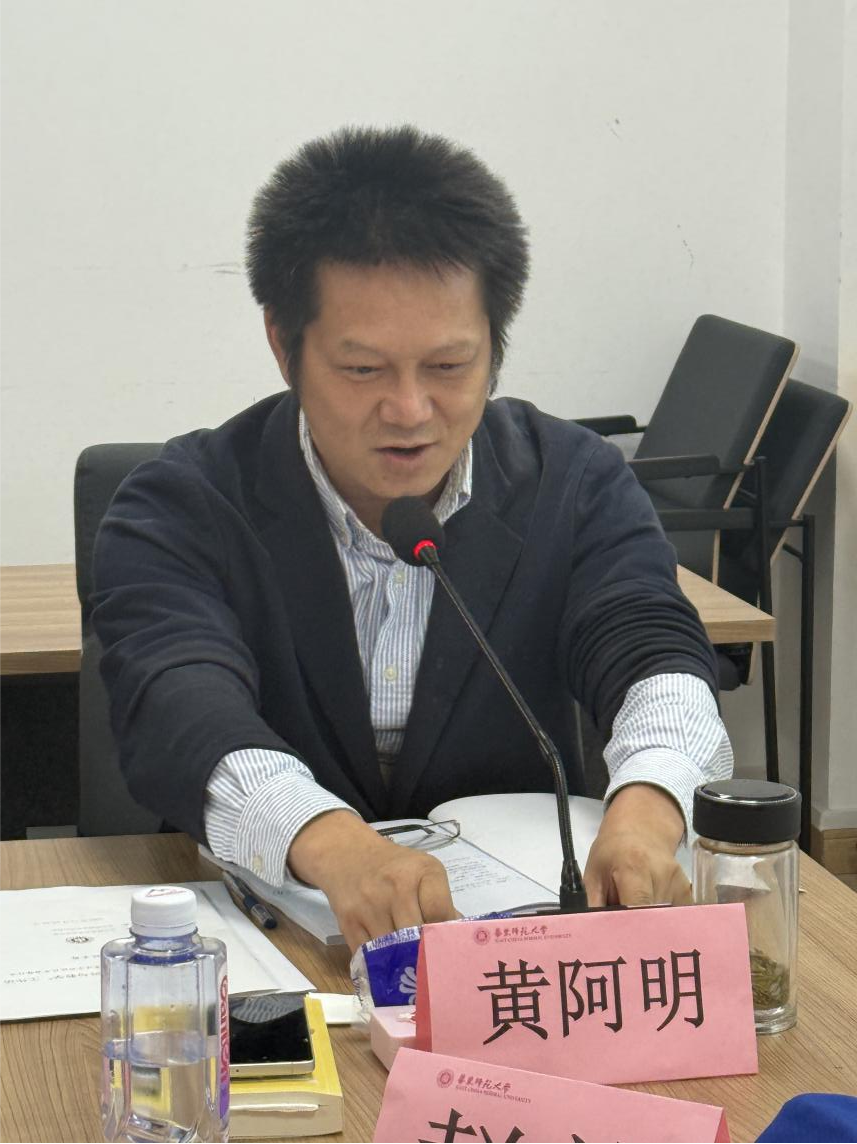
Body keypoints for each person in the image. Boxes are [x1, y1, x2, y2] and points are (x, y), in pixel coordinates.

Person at [92, 125, 732, 951]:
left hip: (516, 943)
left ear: (494, 346)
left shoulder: (573, 482)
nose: (408, 411)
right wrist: (330, 842)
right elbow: (177, 703)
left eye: (447, 367)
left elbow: (649, 647)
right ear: (284, 344)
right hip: (262, 941)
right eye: (362, 370)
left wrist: (647, 812)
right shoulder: (182, 503)